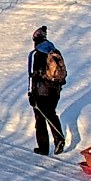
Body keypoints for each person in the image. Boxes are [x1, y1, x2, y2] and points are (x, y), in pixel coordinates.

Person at [27, 25, 66, 155]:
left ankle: (44, 147)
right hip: (56, 90)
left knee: (40, 118)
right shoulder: (55, 51)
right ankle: (58, 139)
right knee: (51, 114)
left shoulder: (38, 54)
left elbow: (35, 76)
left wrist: (32, 94)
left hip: (41, 92)